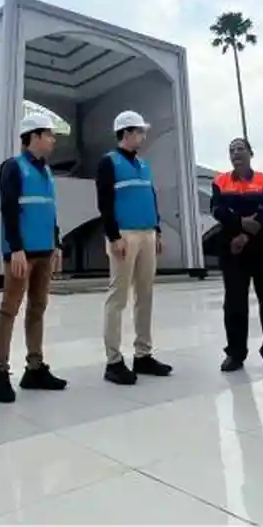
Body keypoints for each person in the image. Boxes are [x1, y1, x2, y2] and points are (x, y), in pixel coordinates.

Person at [0, 112, 69, 403]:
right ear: (33, 137)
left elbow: (50, 211)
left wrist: (56, 243)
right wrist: (14, 249)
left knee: (38, 308)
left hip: (45, 251)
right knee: (9, 309)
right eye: (48, 135)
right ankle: (0, 373)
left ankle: (35, 368)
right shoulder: (13, 168)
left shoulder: (46, 171)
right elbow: (8, 210)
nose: (52, 140)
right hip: (22, 254)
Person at [95, 110, 172, 385]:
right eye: (139, 131)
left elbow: (150, 197)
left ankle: (143, 354)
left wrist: (158, 230)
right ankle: (114, 361)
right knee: (117, 297)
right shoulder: (109, 163)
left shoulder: (144, 164)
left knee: (145, 294)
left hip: (148, 233)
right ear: (126, 133)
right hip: (124, 236)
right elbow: (104, 203)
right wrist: (113, 236)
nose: (143, 136)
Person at [210, 137, 263, 374]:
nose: (236, 153)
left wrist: (245, 236)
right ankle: (235, 353)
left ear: (251, 153)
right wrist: (239, 225)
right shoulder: (220, 181)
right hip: (231, 248)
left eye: (240, 149)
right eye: (231, 150)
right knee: (234, 303)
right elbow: (217, 209)